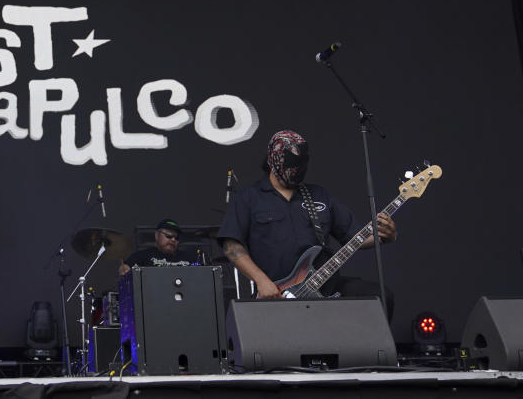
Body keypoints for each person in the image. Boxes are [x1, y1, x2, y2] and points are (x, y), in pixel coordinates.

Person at [217, 129, 396, 318]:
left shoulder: (319, 195)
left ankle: (374, 348)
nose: (296, 170)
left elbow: (355, 237)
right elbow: (231, 245)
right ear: (273, 161)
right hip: (278, 292)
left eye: (300, 165)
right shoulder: (249, 197)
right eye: (291, 165)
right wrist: (261, 281)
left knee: (381, 296)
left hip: (326, 285)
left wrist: (384, 236)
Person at [119, 219, 200, 276]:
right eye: (169, 235)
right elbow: (125, 267)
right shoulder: (142, 256)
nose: (173, 240)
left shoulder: (189, 257)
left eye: (176, 237)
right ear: (157, 235)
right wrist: (124, 269)